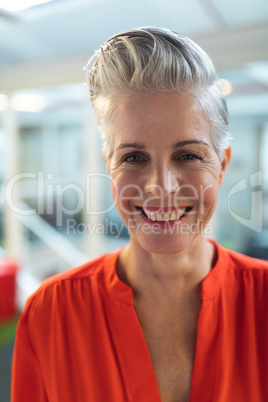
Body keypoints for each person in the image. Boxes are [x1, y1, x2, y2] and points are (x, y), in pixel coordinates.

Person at [11, 27, 268, 402]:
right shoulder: (50, 313)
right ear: (109, 165)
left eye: (188, 155)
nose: (159, 187)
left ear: (222, 165)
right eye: (133, 157)